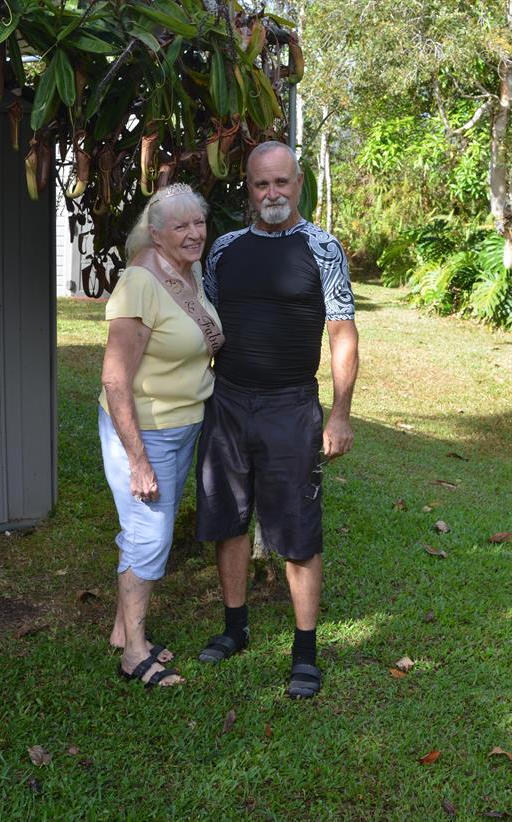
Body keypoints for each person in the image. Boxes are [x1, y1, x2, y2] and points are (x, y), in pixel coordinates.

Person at [195, 141, 359, 698]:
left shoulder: (322, 248)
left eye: (281, 183)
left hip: (292, 406)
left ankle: (305, 652)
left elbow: (342, 335)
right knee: (227, 518)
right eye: (261, 184)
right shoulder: (223, 250)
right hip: (229, 401)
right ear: (249, 186)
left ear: (298, 182)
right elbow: (206, 321)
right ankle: (235, 628)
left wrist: (338, 414)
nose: (272, 194)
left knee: (297, 530)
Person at [99, 183, 224, 689]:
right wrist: (139, 460)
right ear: (155, 233)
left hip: (181, 425)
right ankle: (133, 653)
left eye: (199, 223)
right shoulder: (140, 283)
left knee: (143, 530)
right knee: (151, 536)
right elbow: (114, 378)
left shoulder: (187, 274)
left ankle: (120, 631)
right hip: (145, 431)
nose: (195, 233)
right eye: (181, 226)